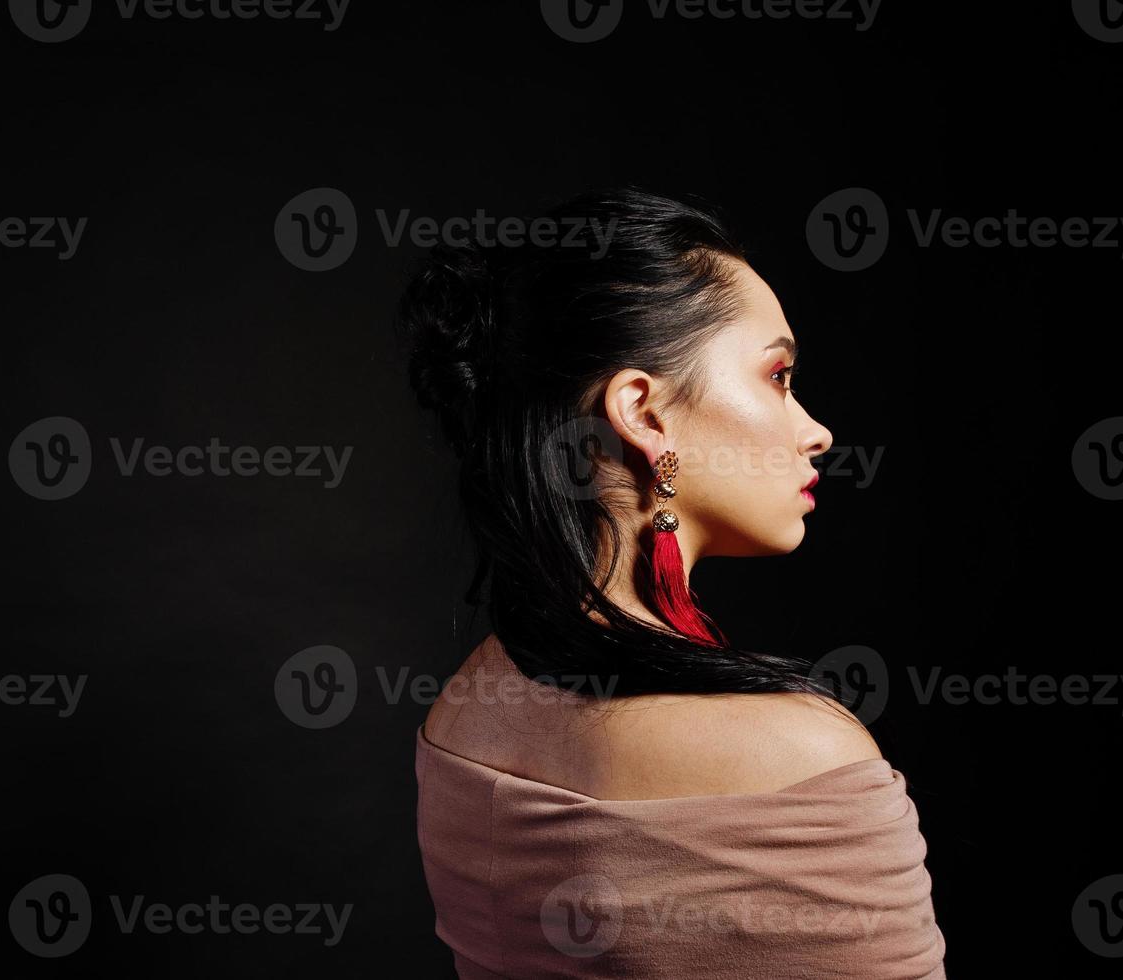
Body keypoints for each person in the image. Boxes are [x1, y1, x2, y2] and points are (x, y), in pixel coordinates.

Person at [402, 185, 946, 978]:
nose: (816, 432)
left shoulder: (465, 711)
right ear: (644, 414)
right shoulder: (804, 756)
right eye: (779, 377)